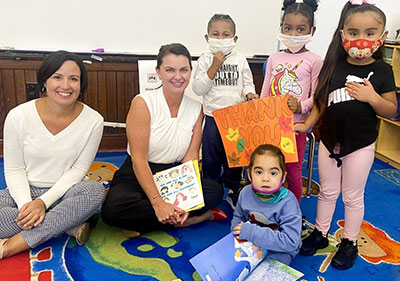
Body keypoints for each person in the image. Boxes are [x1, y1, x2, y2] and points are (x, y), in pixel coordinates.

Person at [296, 0, 397, 270]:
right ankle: (320, 232)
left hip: (360, 145)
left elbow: (391, 109)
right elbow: (319, 102)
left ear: (382, 36)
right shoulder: (333, 66)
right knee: (327, 191)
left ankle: (350, 241)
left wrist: (371, 97)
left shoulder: (384, 71)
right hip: (330, 142)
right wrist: (307, 125)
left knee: (352, 196)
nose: (361, 39)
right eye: (353, 33)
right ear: (343, 35)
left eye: (369, 33)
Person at [101, 43, 224, 236]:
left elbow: (190, 158)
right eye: (170, 70)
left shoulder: (196, 108)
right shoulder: (143, 103)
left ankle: (154, 220)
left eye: (184, 70)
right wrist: (157, 201)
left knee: (215, 191)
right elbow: (138, 160)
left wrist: (185, 199)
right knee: (112, 210)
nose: (178, 76)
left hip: (175, 174)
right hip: (139, 170)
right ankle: (193, 219)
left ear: (191, 72)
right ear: (158, 72)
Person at [0, 50, 105, 260]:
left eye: (73, 79)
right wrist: (26, 207)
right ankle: (68, 225)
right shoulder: (18, 116)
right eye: (57, 77)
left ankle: (11, 246)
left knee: (95, 192)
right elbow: (13, 169)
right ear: (44, 82)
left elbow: (78, 170)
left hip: (67, 192)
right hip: (21, 193)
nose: (65, 86)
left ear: (81, 85)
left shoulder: (94, 121)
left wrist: (43, 204)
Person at [168, 144, 302, 281]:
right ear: (249, 175)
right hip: (250, 243)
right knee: (225, 267)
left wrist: (251, 232)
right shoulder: (245, 193)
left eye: (273, 172)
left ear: (283, 177)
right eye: (259, 172)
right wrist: (237, 231)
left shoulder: (288, 202)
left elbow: (291, 242)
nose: (265, 178)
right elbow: (238, 217)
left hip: (278, 251)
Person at [193, 14, 259, 208]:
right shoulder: (205, 60)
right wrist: (214, 66)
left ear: (234, 39)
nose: (220, 38)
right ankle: (211, 189)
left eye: (226, 34)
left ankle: (232, 187)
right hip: (213, 117)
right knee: (211, 156)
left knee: (236, 157)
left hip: (236, 118)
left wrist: (250, 94)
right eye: (216, 34)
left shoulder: (240, 60)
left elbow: (248, 83)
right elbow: (198, 89)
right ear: (207, 38)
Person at [260, 0, 323, 204]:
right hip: (272, 125)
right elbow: (265, 93)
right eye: (288, 28)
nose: (293, 34)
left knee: (293, 170)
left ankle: (293, 208)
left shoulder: (314, 60)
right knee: (268, 165)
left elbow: (317, 96)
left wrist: (302, 106)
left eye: (300, 29)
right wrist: (260, 117)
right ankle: (268, 203)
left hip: (296, 127)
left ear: (311, 31)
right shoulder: (274, 58)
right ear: (281, 28)